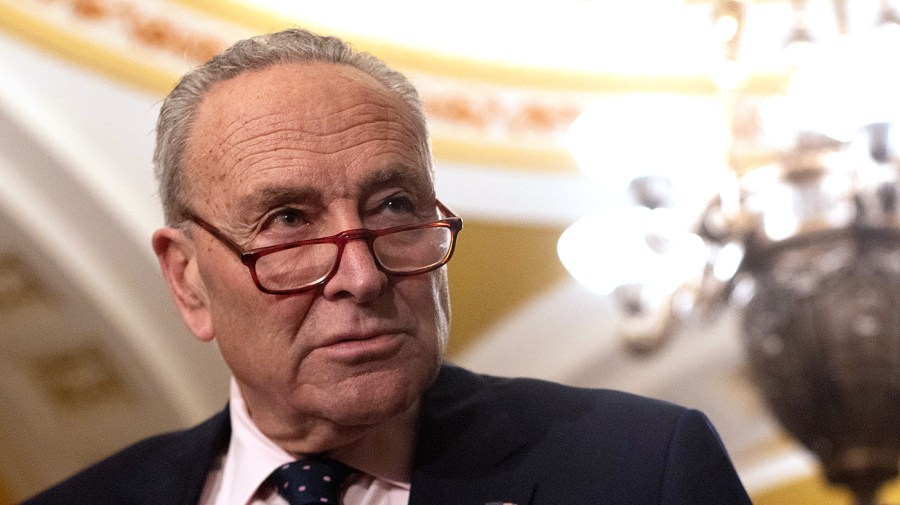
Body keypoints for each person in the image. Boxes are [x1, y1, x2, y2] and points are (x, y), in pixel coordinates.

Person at [22, 28, 752, 505]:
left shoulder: (640, 471)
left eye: (397, 204)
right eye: (288, 222)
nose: (363, 277)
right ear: (187, 278)